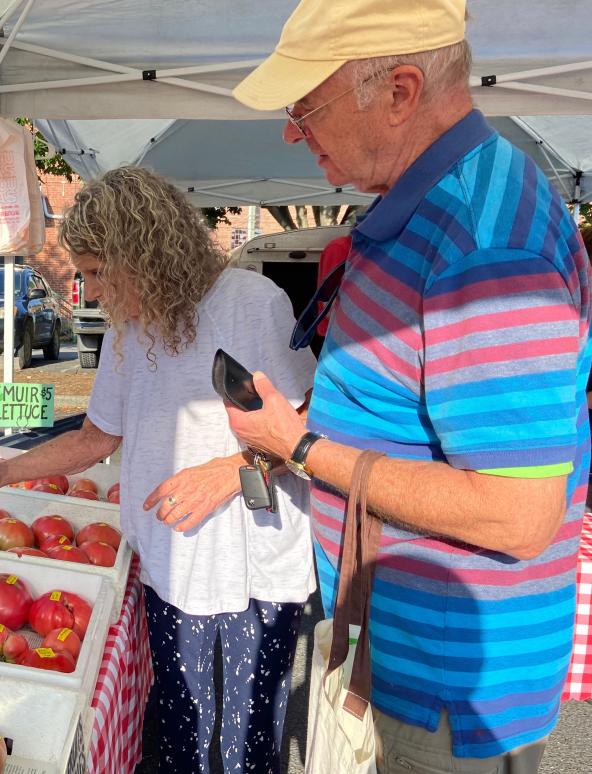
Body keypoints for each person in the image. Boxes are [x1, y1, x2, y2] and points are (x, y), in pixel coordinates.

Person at [230, 0, 592, 771]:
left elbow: (520, 513)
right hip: (407, 658)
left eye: (307, 106)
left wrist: (298, 445)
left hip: (445, 690)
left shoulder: (486, 245)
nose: (294, 131)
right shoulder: (435, 206)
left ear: (398, 92)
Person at [0, 166, 317, 773]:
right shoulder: (128, 327)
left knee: (244, 740)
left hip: (249, 563)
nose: (89, 290)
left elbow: (306, 423)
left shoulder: (252, 303)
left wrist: (229, 470)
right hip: (168, 560)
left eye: (95, 271)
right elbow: (95, 439)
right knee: (178, 728)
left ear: (143, 254)